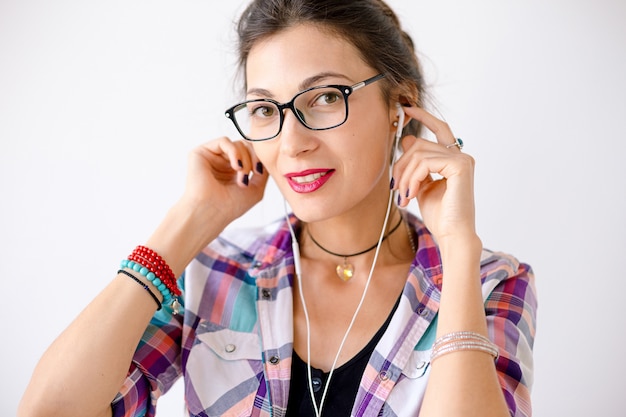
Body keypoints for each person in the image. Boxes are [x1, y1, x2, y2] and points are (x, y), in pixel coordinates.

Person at [18, 0, 537, 416]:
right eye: (265, 109)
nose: (292, 142)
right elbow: (51, 410)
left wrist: (458, 247)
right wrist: (189, 220)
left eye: (326, 97)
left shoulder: (490, 282)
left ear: (400, 104)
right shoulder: (216, 274)